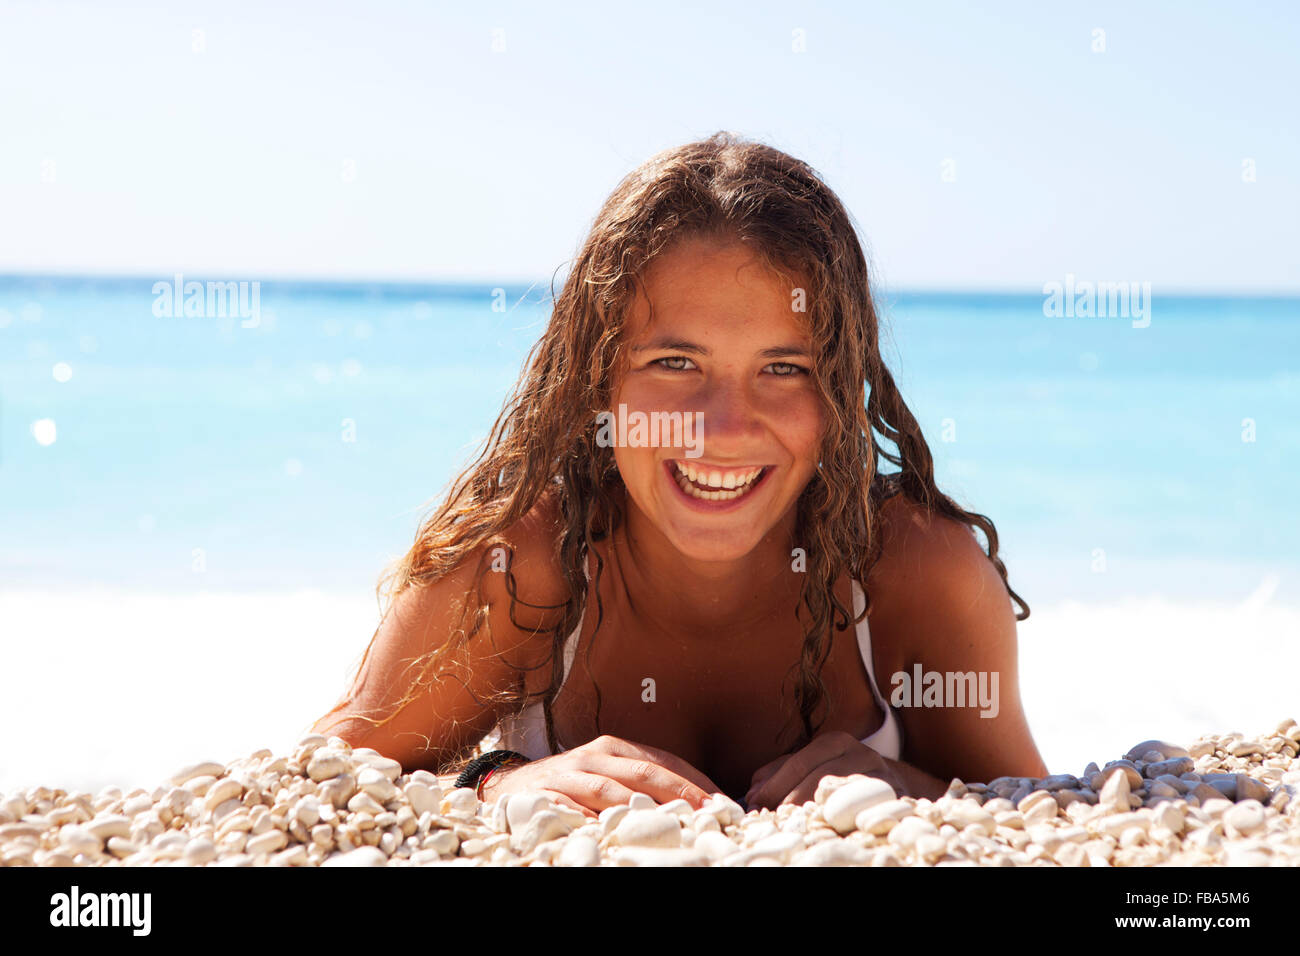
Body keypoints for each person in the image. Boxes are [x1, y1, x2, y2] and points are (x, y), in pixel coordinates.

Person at [311, 131, 1048, 820]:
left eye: (784, 369)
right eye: (675, 363)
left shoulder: (915, 575)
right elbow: (317, 780)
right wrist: (499, 778)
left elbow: (1039, 814)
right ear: (596, 380)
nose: (724, 429)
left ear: (839, 395)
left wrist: (911, 790)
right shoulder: (517, 565)